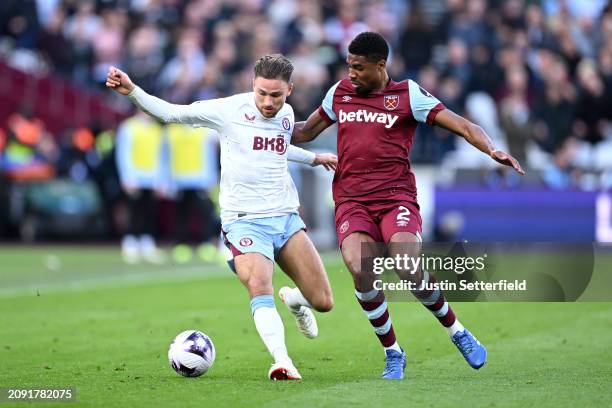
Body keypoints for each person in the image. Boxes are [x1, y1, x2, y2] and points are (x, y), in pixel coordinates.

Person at [292, 32, 524, 380]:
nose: (351, 74)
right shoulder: (339, 93)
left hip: (395, 198)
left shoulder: (407, 95)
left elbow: (463, 125)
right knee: (359, 266)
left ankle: (457, 330)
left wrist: (491, 150)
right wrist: (263, 128)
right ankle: (393, 353)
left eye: (358, 67)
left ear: (380, 65)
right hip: (352, 200)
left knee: (406, 264)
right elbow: (307, 131)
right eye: (348, 66)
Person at [106, 54, 336, 380]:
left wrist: (314, 158)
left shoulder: (286, 114)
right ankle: (282, 360)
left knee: (324, 301)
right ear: (252, 86)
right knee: (259, 285)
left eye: (276, 95)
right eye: (261, 93)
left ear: (290, 90)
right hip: (244, 220)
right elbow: (172, 113)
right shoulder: (228, 110)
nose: (268, 102)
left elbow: (276, 147)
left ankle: (295, 301)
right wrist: (132, 91)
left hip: (285, 216)